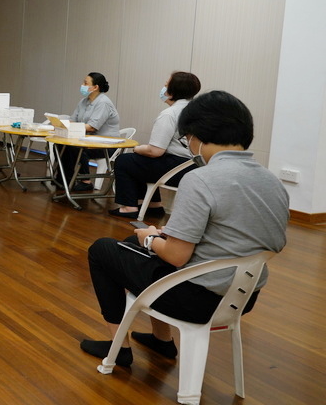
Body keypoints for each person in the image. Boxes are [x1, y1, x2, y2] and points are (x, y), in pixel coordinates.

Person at [80, 90, 288, 366]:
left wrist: (151, 239)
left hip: (196, 300)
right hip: (244, 297)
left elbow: (177, 256)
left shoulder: (200, 179)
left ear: (197, 136)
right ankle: (162, 342)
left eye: (187, 138)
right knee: (131, 246)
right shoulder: (273, 182)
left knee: (103, 250)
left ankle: (119, 349)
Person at [109, 71, 201, 219]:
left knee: (125, 161)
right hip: (194, 168)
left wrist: (137, 148)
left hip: (177, 169)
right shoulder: (198, 111)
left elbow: (155, 151)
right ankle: (154, 205)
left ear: (173, 91)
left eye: (166, 85)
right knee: (139, 161)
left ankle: (128, 207)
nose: (163, 89)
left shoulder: (169, 114)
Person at [55, 72, 120, 192]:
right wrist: (63, 124)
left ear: (96, 87)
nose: (82, 85)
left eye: (85, 83)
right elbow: (73, 119)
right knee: (60, 143)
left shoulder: (103, 103)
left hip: (107, 144)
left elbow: (92, 127)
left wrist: (71, 125)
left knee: (76, 148)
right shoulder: (83, 102)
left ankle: (86, 181)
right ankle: (63, 178)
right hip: (88, 140)